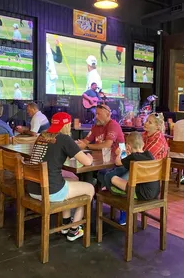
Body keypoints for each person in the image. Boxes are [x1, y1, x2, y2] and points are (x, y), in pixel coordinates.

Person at [28, 112, 94, 242]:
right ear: (67, 125)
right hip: (50, 191)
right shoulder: (64, 138)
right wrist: (90, 158)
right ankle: (74, 229)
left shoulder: (42, 135)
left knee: (72, 180)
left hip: (33, 189)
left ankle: (65, 224)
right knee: (90, 188)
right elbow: (86, 162)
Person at [76, 104, 124, 183]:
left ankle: (94, 189)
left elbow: (107, 145)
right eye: (96, 114)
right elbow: (85, 141)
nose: (96, 117)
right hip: (100, 161)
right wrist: (77, 144)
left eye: (99, 114)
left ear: (108, 115)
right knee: (83, 168)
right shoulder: (96, 126)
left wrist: (87, 146)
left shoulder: (113, 125)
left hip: (115, 162)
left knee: (92, 171)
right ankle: (90, 189)